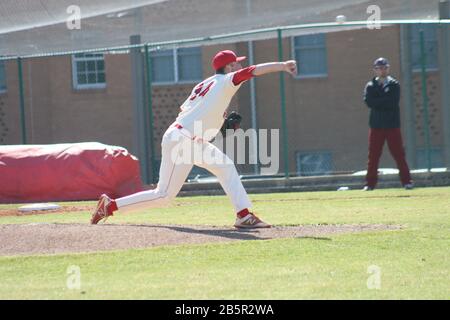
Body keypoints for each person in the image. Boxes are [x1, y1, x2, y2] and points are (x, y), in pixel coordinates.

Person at [91, 50, 297, 227]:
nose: (239, 64)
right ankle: (110, 206)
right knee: (164, 196)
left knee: (224, 165)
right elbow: (253, 70)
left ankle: (243, 215)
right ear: (229, 65)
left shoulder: (204, 84)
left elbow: (190, 111)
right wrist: (283, 66)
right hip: (183, 140)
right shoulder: (227, 80)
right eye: (236, 61)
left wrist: (221, 125)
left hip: (187, 137)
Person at [363, 57, 413, 191]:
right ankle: (370, 184)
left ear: (388, 68)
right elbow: (369, 102)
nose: (382, 70)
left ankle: (407, 182)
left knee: (399, 154)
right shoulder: (370, 86)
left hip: (392, 125)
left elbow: (392, 102)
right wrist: (382, 100)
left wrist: (378, 101)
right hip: (376, 126)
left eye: (384, 67)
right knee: (373, 156)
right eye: (379, 68)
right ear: (375, 70)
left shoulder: (394, 84)